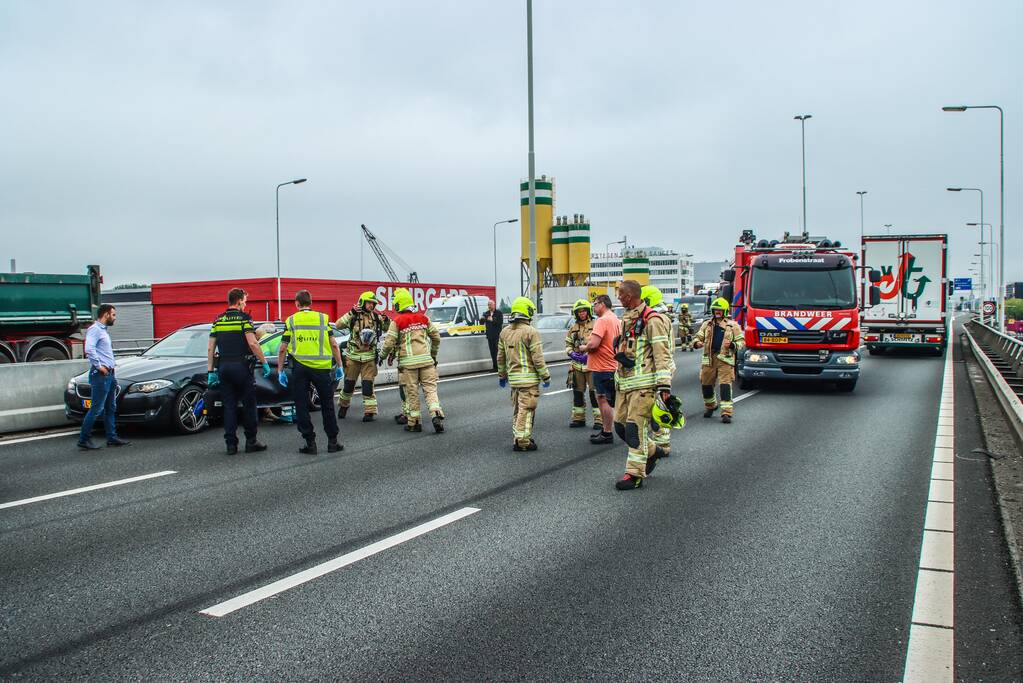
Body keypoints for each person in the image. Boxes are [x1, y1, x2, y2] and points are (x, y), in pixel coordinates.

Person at [612, 280, 675, 490]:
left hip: (644, 386)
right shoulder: (627, 319)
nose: (618, 298)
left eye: (620, 294)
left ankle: (634, 475)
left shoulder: (653, 320)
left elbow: (662, 354)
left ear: (630, 296)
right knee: (620, 427)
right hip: (625, 385)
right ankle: (653, 451)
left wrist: (664, 386)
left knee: (634, 430)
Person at [277, 290, 344, 454]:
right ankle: (332, 442)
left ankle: (310, 443)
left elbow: (283, 348)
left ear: (297, 303)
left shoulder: (291, 320)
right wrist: (340, 366)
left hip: (300, 368)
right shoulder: (322, 318)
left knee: (301, 405)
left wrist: (280, 370)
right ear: (311, 303)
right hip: (322, 368)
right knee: (327, 404)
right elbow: (334, 344)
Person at [207, 288, 272, 455]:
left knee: (229, 406)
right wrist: (264, 362)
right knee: (249, 405)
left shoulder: (218, 320)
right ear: (238, 301)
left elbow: (210, 348)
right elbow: (253, 343)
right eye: (244, 301)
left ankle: (231, 445)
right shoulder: (245, 319)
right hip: (241, 367)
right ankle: (251, 442)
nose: (245, 304)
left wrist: (210, 371)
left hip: (223, 368)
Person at [380, 287, 445, 433]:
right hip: (427, 361)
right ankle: (436, 414)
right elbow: (436, 337)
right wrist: (433, 354)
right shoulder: (424, 318)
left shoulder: (397, 321)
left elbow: (389, 343)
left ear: (399, 304)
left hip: (408, 364)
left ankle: (414, 423)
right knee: (430, 390)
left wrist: (382, 356)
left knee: (412, 392)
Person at [497, 296, 550, 451]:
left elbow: (500, 357)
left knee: (518, 410)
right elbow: (537, 358)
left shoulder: (504, 332)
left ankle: (518, 437)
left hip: (514, 380)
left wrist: (502, 375)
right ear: (527, 312)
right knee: (526, 409)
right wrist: (545, 376)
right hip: (529, 379)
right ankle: (522, 441)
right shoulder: (531, 332)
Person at [77, 304, 131, 450]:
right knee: (96, 408)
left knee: (110, 407)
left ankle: (112, 438)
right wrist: (99, 366)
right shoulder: (95, 329)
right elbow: (89, 349)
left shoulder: (103, 331)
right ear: (106, 314)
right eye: (113, 315)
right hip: (101, 374)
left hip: (110, 374)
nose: (115, 318)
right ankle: (84, 439)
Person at [336, 291, 389, 422]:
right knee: (348, 385)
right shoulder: (353, 315)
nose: (371, 306)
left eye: (373, 304)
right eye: (369, 303)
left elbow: (388, 328)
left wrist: (387, 320)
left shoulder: (376, 317)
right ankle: (343, 406)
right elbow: (338, 325)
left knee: (367, 386)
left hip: (369, 358)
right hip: (353, 357)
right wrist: (351, 313)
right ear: (362, 302)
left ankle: (369, 412)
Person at [693, 297, 744, 424]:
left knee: (725, 386)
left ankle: (726, 413)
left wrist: (732, 345)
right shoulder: (707, 324)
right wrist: (697, 343)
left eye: (720, 310)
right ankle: (711, 406)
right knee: (706, 384)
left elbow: (741, 342)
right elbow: (698, 337)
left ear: (725, 311)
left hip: (725, 360)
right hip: (709, 359)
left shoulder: (733, 325)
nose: (717, 312)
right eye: (715, 309)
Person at [580, 294, 620, 445]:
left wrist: (584, 348)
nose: (593, 307)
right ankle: (606, 430)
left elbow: (594, 344)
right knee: (610, 399)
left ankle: (607, 432)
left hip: (602, 366)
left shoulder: (602, 320)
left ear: (602, 304)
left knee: (603, 400)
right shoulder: (615, 319)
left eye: (595, 304)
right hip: (612, 364)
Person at [641, 285, 675, 461]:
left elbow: (660, 351)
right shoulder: (658, 317)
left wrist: (663, 380)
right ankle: (660, 443)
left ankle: (662, 445)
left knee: (657, 408)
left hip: (658, 369)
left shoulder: (656, 320)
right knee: (656, 407)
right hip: (660, 368)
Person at [564, 299, 601, 429]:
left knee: (594, 393)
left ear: (588, 311)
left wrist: (589, 355)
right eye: (579, 312)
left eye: (584, 311)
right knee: (578, 393)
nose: (582, 313)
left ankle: (599, 421)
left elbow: (600, 343)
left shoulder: (596, 325)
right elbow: (568, 344)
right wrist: (572, 354)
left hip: (592, 365)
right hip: (576, 366)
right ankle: (578, 419)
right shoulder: (573, 328)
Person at [480, 299, 504, 371]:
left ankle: (500, 367)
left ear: (494, 305)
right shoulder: (486, 313)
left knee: (497, 351)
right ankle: (495, 367)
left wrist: (493, 320)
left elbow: (500, 323)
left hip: (497, 336)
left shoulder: (499, 313)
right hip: (490, 336)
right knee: (492, 352)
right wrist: (481, 319)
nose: (489, 306)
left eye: (490, 305)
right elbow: (481, 323)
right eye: (488, 305)